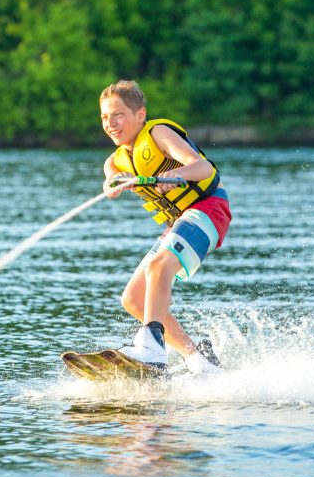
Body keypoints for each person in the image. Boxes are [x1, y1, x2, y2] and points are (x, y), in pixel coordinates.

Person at [99, 80, 231, 375]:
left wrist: (172, 175)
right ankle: (198, 358)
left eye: (118, 114)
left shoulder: (159, 133)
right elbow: (109, 183)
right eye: (105, 117)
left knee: (159, 266)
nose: (111, 123)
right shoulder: (116, 160)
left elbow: (203, 168)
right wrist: (113, 183)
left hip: (208, 209)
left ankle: (151, 348)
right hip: (178, 223)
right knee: (132, 298)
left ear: (140, 115)